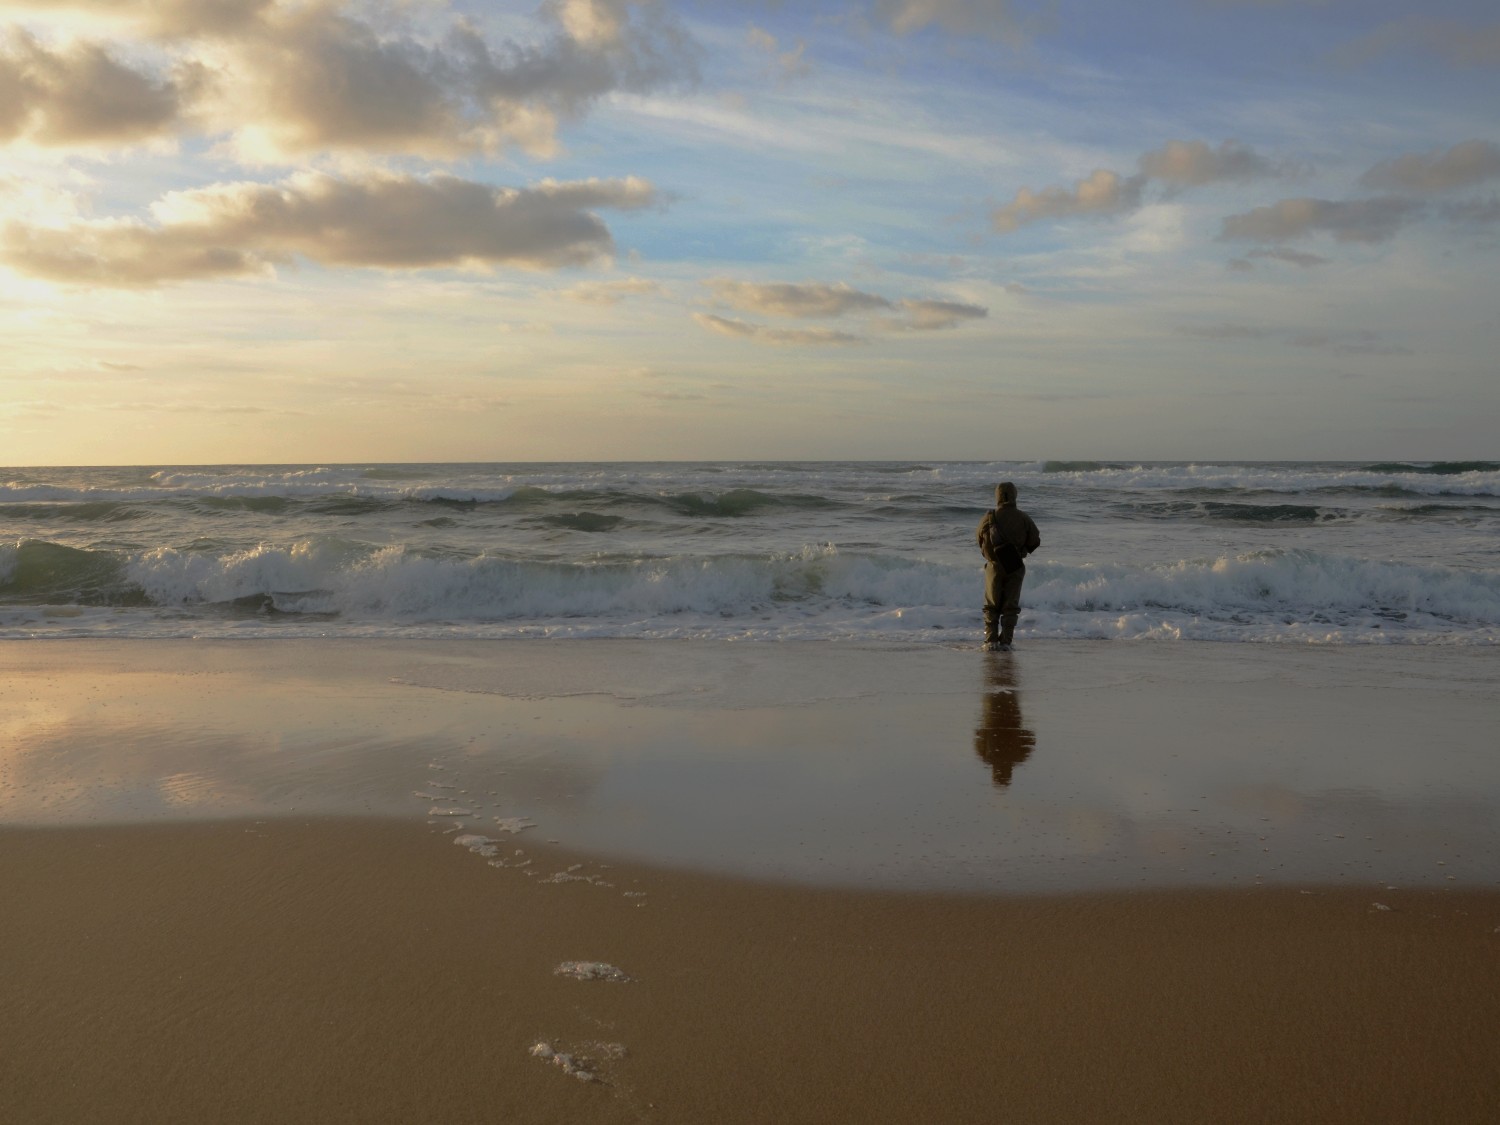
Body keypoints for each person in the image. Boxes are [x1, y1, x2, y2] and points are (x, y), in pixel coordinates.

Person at [975, 481, 1040, 652]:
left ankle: (990, 641)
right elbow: (1035, 540)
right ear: (1014, 495)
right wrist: (1022, 550)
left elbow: (979, 539)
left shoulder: (988, 518)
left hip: (994, 567)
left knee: (991, 606)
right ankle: (1006, 642)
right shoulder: (1023, 518)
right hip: (1015, 566)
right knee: (1010, 607)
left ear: (997, 496)